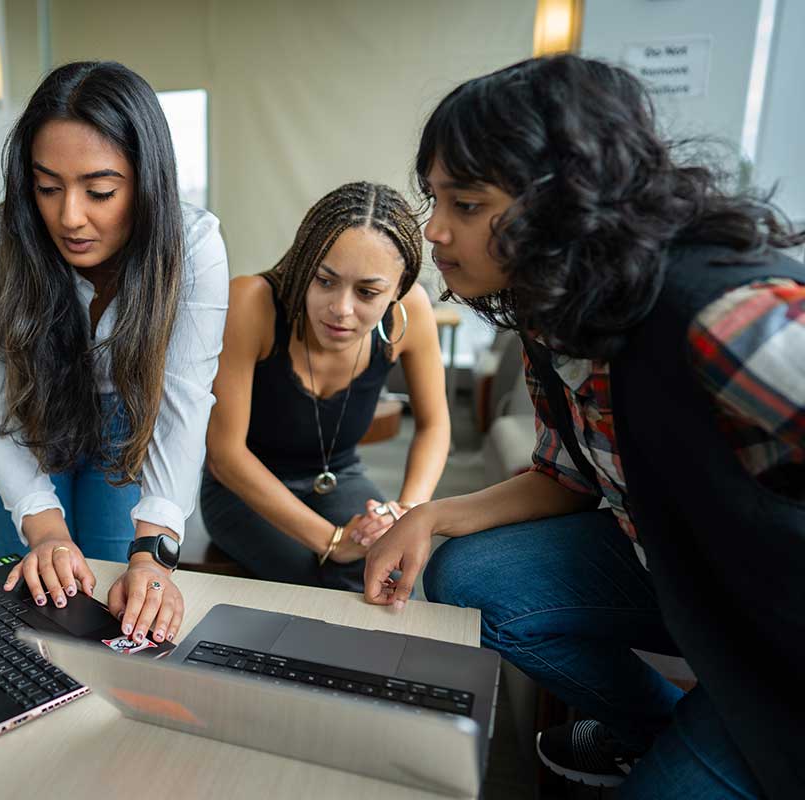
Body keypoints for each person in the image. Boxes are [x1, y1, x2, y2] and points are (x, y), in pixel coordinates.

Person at [363, 55, 804, 798]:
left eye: (465, 205)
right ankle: (665, 734)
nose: (433, 230)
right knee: (469, 573)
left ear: (567, 204)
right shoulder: (554, 314)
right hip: (690, 583)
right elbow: (564, 478)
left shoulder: (725, 313)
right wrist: (432, 515)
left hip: (774, 635)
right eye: (434, 198)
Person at [0, 61, 229, 646]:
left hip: (127, 426)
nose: (69, 217)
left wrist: (154, 557)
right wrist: (46, 531)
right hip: (23, 420)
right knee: (37, 601)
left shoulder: (194, 246)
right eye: (47, 187)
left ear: (145, 181)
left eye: (99, 191)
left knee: (111, 604)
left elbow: (183, 402)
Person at [203, 182, 449, 591]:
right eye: (324, 280)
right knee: (319, 574)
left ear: (399, 288)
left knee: (383, 563)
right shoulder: (253, 302)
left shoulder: (413, 310)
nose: (341, 309)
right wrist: (332, 542)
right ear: (304, 264)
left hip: (340, 475)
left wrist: (405, 512)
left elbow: (435, 426)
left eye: (368, 292)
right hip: (242, 489)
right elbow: (225, 456)